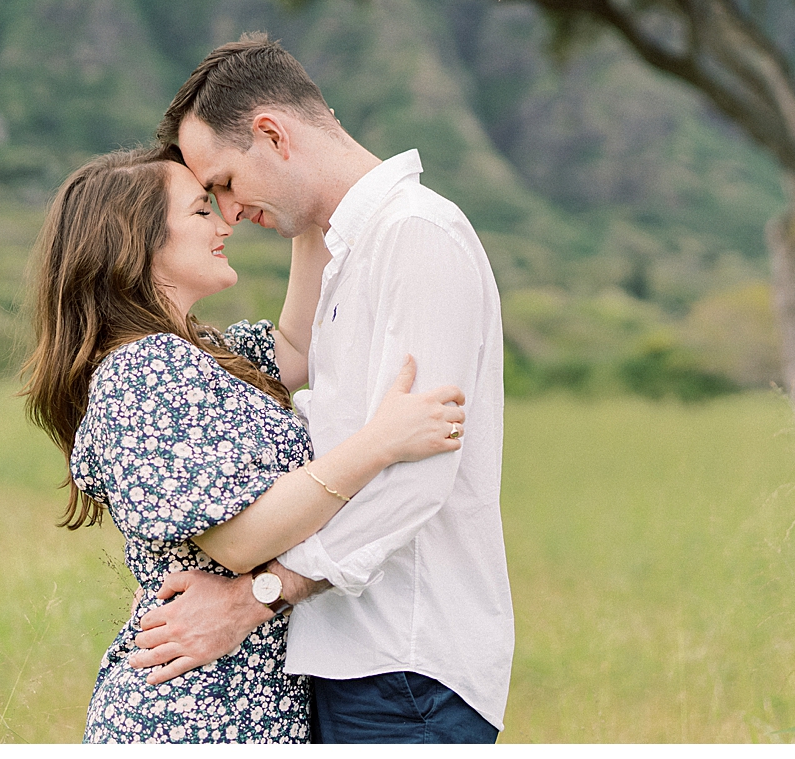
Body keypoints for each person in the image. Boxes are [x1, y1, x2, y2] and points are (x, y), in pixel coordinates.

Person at [130, 37, 513, 743]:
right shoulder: (353, 250)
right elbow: (295, 360)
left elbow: (416, 477)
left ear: (272, 134)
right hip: (356, 658)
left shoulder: (415, 237)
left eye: (222, 181)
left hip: (406, 664)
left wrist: (255, 597)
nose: (228, 211)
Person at [21, 145, 467, 743]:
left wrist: (307, 194)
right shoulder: (141, 371)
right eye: (202, 210)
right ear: (140, 245)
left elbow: (296, 347)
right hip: (193, 710)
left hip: (243, 699)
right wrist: (381, 443)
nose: (225, 221)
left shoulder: (200, 353)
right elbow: (238, 541)